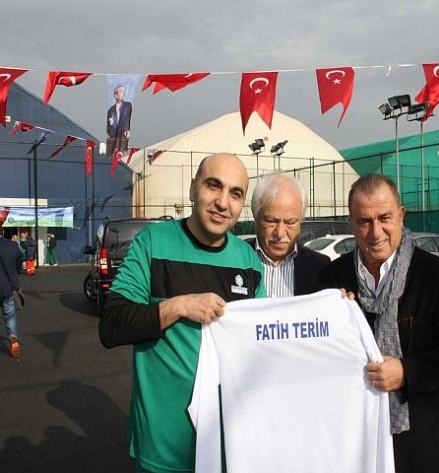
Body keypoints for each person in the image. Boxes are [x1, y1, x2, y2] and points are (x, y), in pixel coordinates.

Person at [98, 153, 266, 473]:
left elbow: (263, 342)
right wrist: (179, 306)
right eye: (213, 186)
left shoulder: (247, 259)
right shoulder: (152, 243)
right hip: (164, 451)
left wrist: (334, 312)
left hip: (229, 445)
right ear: (192, 189)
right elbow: (113, 326)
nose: (222, 202)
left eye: (235, 193)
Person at [316, 173, 439, 473]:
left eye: (384, 218)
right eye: (364, 221)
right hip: (352, 440)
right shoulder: (331, 280)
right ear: (351, 223)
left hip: (417, 444)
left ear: (401, 215)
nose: (376, 232)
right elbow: (318, 357)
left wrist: (406, 372)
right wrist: (334, 320)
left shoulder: (437, 276)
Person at [250, 173, 330, 297]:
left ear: (301, 221)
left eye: (290, 222)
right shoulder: (233, 260)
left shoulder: (321, 268)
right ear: (256, 217)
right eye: (271, 221)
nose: (280, 233)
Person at [0, 232, 22, 359]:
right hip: (7, 287)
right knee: (10, 315)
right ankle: (13, 338)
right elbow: (18, 265)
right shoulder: (13, 246)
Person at [106, 84, 132, 157]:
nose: (123, 93)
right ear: (116, 96)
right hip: (114, 136)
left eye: (123, 91)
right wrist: (110, 135)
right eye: (120, 91)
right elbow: (109, 126)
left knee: (121, 153)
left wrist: (127, 130)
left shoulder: (128, 105)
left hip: (123, 135)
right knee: (114, 154)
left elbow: (128, 118)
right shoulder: (111, 110)